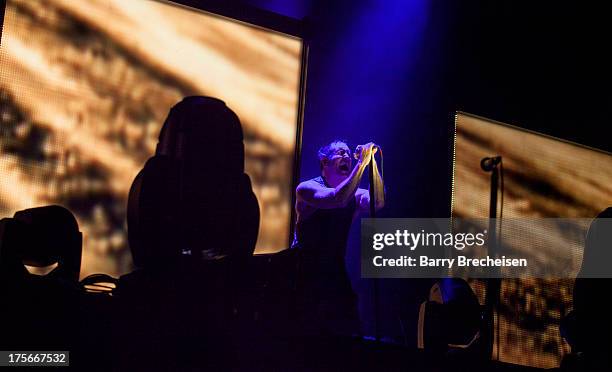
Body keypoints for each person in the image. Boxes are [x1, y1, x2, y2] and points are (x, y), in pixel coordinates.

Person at [292, 140, 384, 336]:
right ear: (325, 162)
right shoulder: (306, 188)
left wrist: (372, 162)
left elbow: (377, 201)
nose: (347, 157)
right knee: (307, 330)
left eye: (349, 154)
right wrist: (361, 164)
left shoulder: (355, 193)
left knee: (348, 326)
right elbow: (337, 198)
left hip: (334, 267)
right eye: (341, 153)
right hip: (305, 268)